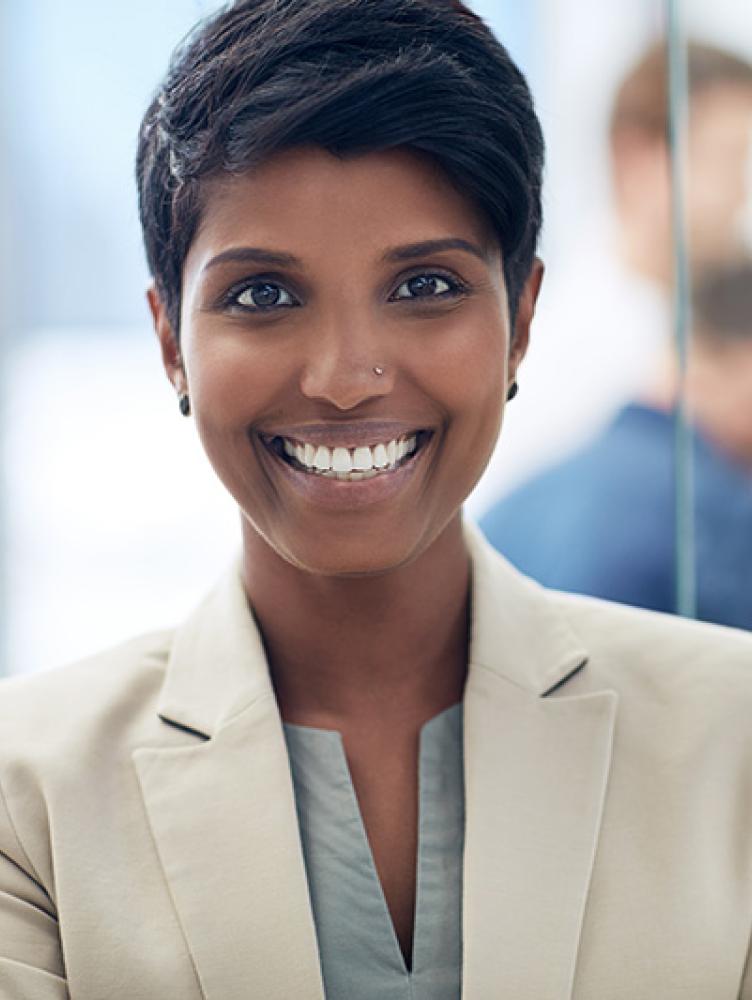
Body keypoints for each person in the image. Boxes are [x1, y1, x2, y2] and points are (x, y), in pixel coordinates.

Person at [1, 3, 752, 998]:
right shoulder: (26, 790)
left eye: (424, 285)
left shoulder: (732, 738)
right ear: (170, 340)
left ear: (520, 319)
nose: (345, 377)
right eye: (263, 295)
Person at [481, 41, 752, 629]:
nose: (740, 196)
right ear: (639, 158)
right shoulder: (554, 342)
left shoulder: (706, 324)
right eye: (728, 161)